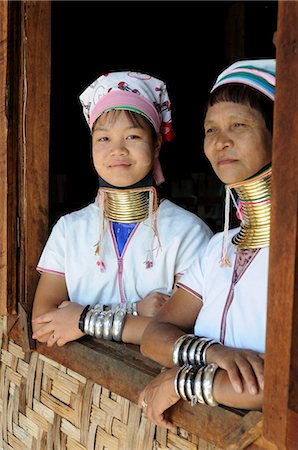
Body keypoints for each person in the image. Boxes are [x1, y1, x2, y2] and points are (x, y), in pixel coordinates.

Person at [138, 59, 275, 430]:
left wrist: (184, 381)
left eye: (239, 125)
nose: (220, 141)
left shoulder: (291, 250)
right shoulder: (220, 247)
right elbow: (154, 336)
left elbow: (284, 382)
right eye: (210, 129)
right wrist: (211, 352)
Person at [31, 71, 212, 348]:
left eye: (132, 136)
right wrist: (135, 311)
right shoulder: (69, 230)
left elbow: (181, 329)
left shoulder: (188, 232)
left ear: (156, 145)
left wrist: (81, 320)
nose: (117, 150)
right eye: (104, 139)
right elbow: (43, 322)